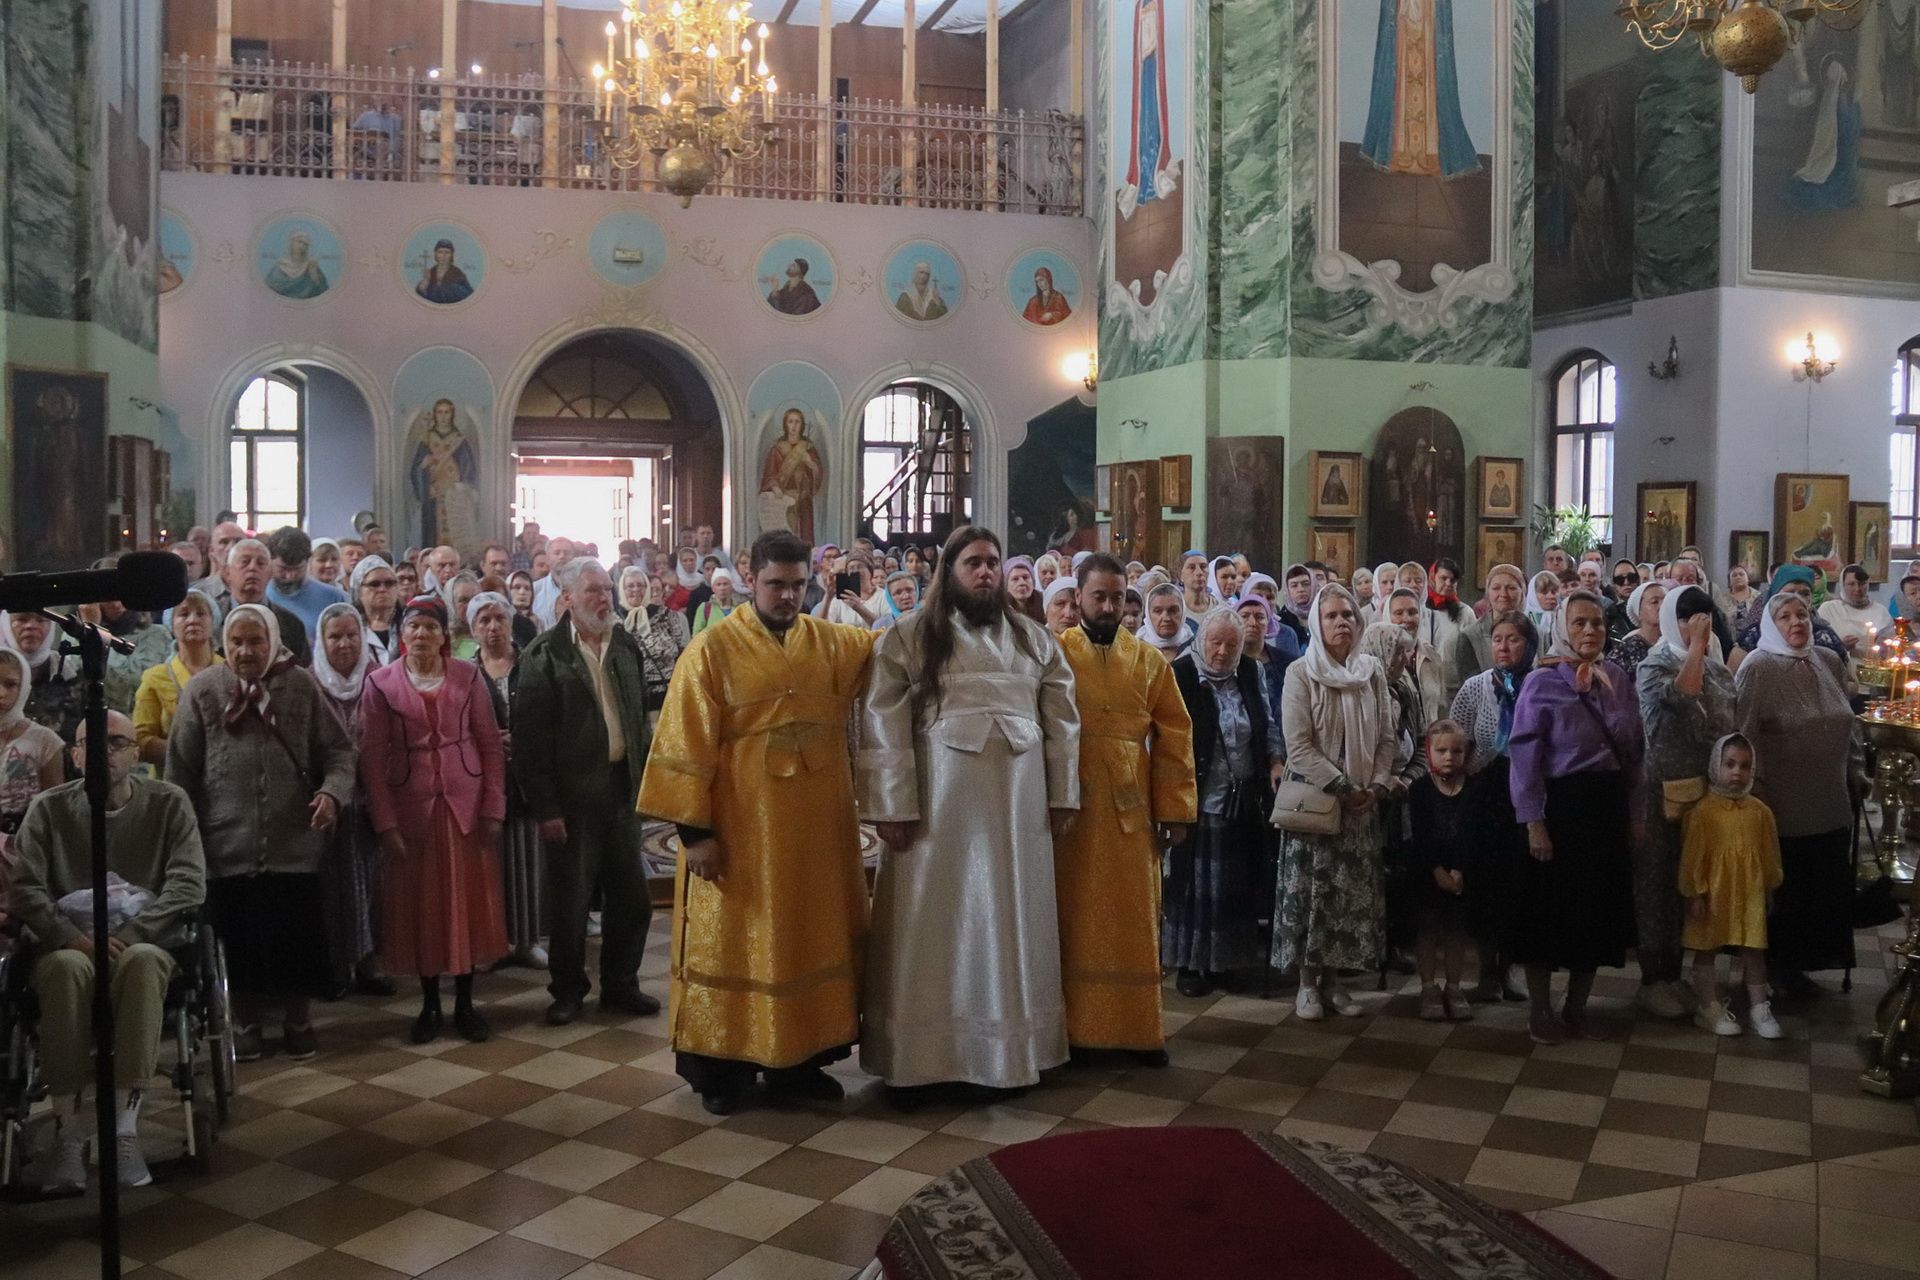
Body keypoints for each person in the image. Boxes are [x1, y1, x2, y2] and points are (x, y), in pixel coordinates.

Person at [639, 532, 879, 1114]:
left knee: (806, 939)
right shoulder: (711, 650)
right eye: (777, 584)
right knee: (735, 946)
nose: (788, 597)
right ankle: (725, 1070)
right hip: (741, 835)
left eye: (799, 585)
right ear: (751, 578)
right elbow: (682, 745)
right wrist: (696, 836)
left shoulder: (833, 643)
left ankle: (798, 1064)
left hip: (815, 837)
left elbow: (896, 656)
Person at [859, 526, 1080, 1106]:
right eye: (973, 563)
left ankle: (1010, 1053)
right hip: (934, 818)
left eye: (993, 563)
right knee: (930, 927)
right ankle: (919, 1061)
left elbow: (1062, 723)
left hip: (1017, 814)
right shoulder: (906, 639)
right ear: (949, 572)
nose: (985, 573)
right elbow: (882, 725)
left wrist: (1062, 796)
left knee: (1011, 920)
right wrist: (891, 807)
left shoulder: (1035, 642)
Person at [6, 710, 204, 1192]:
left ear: (135, 752)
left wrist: (136, 932)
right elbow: (27, 886)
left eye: (114, 742)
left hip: (145, 941)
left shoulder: (168, 802)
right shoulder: (49, 809)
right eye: (88, 745)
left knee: (141, 963)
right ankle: (70, 1132)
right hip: (69, 942)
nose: (102, 753)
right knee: (65, 970)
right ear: (73, 756)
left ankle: (123, 1128)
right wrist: (68, 935)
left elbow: (188, 883)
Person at [167, 604, 356, 1062]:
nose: (245, 651)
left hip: (294, 843)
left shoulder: (299, 686)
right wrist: (186, 836)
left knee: (296, 937)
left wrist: (331, 794)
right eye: (236, 642)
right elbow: (181, 771)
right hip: (225, 845)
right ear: (223, 645)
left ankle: (298, 1021)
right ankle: (246, 1023)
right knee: (239, 940)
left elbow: (339, 752)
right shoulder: (203, 690)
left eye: (255, 642)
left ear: (272, 641)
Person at [1054, 557, 1195, 1062]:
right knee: (1073, 917)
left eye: (1118, 597)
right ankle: (1074, 1033)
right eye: (1100, 597)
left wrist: (1175, 810)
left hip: (1130, 808)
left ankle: (1135, 1030)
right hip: (1070, 808)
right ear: (1078, 599)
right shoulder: (1054, 655)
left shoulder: (1149, 661)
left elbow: (1176, 734)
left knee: (1133, 916)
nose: (1110, 606)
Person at [360, 596, 509, 1043]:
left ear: (445, 635)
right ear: (401, 635)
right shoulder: (381, 684)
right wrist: (384, 823)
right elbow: (371, 760)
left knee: (466, 904)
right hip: (412, 810)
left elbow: (489, 745)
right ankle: (429, 1004)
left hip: (465, 805)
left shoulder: (468, 675)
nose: (421, 634)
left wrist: (494, 807)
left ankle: (465, 1003)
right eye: (413, 627)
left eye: (430, 627)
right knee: (422, 907)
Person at [514, 558, 657, 1025]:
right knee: (572, 904)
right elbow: (530, 744)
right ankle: (569, 990)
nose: (605, 598)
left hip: (622, 791)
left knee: (631, 899)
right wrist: (546, 807)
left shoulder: (624, 647)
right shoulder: (544, 655)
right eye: (593, 590)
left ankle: (621, 985)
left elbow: (637, 721)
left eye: (607, 590)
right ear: (568, 597)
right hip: (572, 801)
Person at [1506, 590, 1640, 1045]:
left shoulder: (1617, 677)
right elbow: (1524, 754)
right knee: (1546, 913)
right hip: (1559, 806)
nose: (1590, 631)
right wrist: (1534, 820)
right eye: (1580, 623)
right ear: (1563, 627)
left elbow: (1634, 750)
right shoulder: (1541, 682)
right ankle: (1540, 1008)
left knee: (1595, 912)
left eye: (1598, 623)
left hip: (1605, 805)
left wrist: (1635, 813)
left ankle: (1576, 1006)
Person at [1734, 591, 1864, 1000]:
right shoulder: (1758, 666)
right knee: (1786, 892)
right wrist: (1753, 791)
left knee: (1821, 889)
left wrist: (1856, 770)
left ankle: (1804, 966)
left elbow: (1850, 722)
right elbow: (1744, 732)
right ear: (1771, 625)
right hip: (1782, 805)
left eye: (1802, 614)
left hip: (1830, 799)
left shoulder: (1826, 660)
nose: (1797, 622)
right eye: (1786, 616)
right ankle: (1772, 971)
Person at [1274, 584, 1395, 1019]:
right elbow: (1299, 746)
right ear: (1316, 624)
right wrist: (1344, 786)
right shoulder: (1300, 673)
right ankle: (1307, 984)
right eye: (1331, 616)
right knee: (1313, 894)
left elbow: (1386, 736)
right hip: (1318, 800)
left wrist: (1377, 784)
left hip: (1362, 803)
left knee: (1347, 898)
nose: (1342, 621)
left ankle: (1335, 983)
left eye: (1348, 615)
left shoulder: (1372, 671)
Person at [1632, 584, 1736, 1020]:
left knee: (1692, 885)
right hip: (1662, 794)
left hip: (1707, 797)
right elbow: (1683, 694)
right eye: (1687, 617)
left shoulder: (1718, 670)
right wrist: (1694, 647)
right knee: (1659, 885)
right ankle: (1654, 978)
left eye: (1703, 618)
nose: (1698, 625)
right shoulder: (1653, 665)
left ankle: (1682, 973)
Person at [1163, 605, 1277, 1000]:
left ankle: (1226, 962)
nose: (1223, 651)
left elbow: (1267, 720)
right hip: (1197, 795)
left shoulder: (1251, 671)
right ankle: (1193, 964)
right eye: (1216, 642)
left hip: (1242, 796)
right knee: (1197, 887)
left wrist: (1275, 760)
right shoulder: (1180, 674)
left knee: (1235, 885)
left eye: (1232, 644)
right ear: (1201, 640)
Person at [1447, 610, 1535, 1004]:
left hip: (1526, 793)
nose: (1504, 646)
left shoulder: (1539, 684)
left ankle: (1510, 969)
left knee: (1519, 885)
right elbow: (1457, 738)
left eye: (1513, 639)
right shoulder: (1475, 687)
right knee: (1485, 885)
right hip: (1485, 794)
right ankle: (1486, 972)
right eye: (1498, 638)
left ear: (1528, 643)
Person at [1681, 733, 1785, 1039]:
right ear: (1716, 766)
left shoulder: (1760, 813)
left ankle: (1759, 1008)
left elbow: (1770, 854)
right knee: (1706, 948)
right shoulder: (1703, 812)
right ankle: (1707, 1007)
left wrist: (1768, 887)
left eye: (1744, 765)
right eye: (1730, 764)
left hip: (1749, 892)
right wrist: (1694, 891)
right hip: (1713, 894)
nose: (1737, 772)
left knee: (1753, 949)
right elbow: (1693, 856)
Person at [313, 602, 392, 997]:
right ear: (320, 641)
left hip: (370, 800)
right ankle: (336, 963)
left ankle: (370, 961)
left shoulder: (380, 679)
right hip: (326, 803)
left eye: (351, 636)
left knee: (373, 883)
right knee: (332, 886)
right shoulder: (308, 683)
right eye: (334, 637)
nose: (343, 644)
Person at [469, 591, 546, 970]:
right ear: (473, 629)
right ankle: (492, 940)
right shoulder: (467, 672)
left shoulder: (532, 662)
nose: (493, 627)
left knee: (527, 859)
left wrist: (526, 736)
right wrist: (487, 740)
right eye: (484, 621)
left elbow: (550, 709)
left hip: (528, 773)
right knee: (490, 863)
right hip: (484, 779)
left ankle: (527, 941)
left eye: (499, 618)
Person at [1409, 720, 1478, 1021]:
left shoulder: (1473, 789)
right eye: (1442, 750)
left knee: (1456, 931)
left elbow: (1472, 833)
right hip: (1427, 871)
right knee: (1427, 930)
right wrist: (1437, 871)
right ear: (1429, 752)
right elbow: (1420, 833)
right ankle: (1428, 987)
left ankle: (1454, 986)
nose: (1449, 756)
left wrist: (1459, 870)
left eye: (1456, 750)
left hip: (1461, 871)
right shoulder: (1420, 789)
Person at [0, 649, 67, 913]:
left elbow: (54, 811)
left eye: (10, 684)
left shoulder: (43, 741)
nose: (1, 693)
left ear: (24, 686)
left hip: (26, 853)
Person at [133, 589, 224, 771]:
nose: (193, 620)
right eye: (183, 614)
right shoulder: (155, 678)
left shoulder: (229, 673)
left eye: (201, 613)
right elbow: (140, 740)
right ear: (171, 625)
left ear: (213, 621)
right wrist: (184, 751)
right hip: (171, 781)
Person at [220, 538, 311, 666]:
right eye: (245, 562)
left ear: (270, 574)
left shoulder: (291, 624)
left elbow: (300, 676)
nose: (252, 568)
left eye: (261, 563)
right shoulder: (212, 618)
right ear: (227, 572)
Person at [4, 610, 84, 739]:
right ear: (5, 625)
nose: (31, 626)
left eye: (41, 620)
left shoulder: (70, 674)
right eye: (22, 619)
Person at [623, 571, 692, 710]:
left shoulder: (668, 616)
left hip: (667, 695)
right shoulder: (616, 620)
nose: (636, 590)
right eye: (630, 586)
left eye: (640, 586)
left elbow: (683, 653)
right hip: (633, 699)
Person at [265, 526, 350, 636]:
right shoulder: (259, 595)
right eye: (283, 569)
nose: (290, 576)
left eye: (297, 569)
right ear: (269, 560)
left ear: (308, 561)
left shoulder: (335, 598)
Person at [1820, 562, 1895, 682]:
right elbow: (1819, 647)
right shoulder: (1829, 609)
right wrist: (1841, 646)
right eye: (1851, 584)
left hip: (1874, 678)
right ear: (1843, 585)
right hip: (1841, 678)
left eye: (1862, 584)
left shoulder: (1880, 611)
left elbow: (1890, 647)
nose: (1857, 589)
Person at [1386, 588, 1448, 729]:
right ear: (1388, 617)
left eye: (1412, 612)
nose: (1406, 619)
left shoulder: (1431, 655)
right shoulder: (1381, 659)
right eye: (1398, 613)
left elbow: (1442, 707)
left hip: (1431, 743)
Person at [1453, 564, 1525, 683]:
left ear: (1522, 591)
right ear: (1488, 593)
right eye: (1496, 588)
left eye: (1511, 588)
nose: (1503, 594)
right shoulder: (1470, 636)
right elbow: (1471, 687)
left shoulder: (1537, 633)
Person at [1422, 558, 1468, 698]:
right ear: (1432, 579)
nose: (1448, 583)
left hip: (1454, 686)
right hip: (1425, 685)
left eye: (1452, 580)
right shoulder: (1421, 610)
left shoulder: (1464, 612)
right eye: (1443, 578)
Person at [1606, 580, 1666, 684]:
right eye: (1654, 602)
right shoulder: (1625, 651)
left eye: (1666, 601)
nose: (1662, 606)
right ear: (1639, 611)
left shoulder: (1675, 643)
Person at [351, 554, 401, 666]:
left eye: (389, 583)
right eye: (374, 584)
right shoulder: (351, 628)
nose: (382, 589)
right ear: (358, 591)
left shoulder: (410, 623)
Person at [692, 567, 742, 633]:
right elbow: (697, 636)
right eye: (718, 584)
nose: (722, 588)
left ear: (731, 587)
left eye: (725, 584)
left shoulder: (740, 609)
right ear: (713, 588)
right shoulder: (705, 608)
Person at [1524, 570, 1561, 653]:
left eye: (1554, 592)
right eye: (1544, 592)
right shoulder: (1526, 619)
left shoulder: (1563, 616)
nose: (1550, 596)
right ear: (1533, 594)